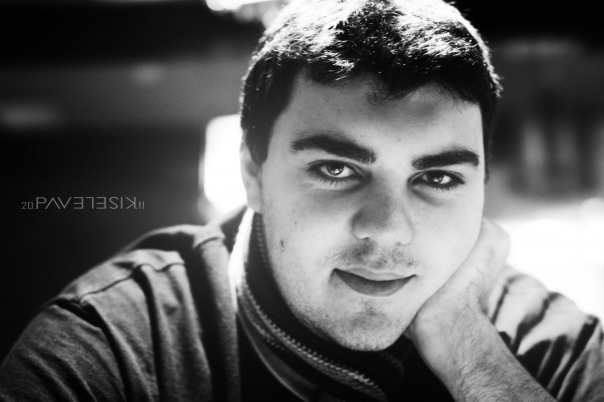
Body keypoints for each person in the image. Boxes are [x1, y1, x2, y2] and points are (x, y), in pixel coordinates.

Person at [1, 0, 603, 400]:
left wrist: (468, 350)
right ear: (252, 172)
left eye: (439, 179)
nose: (388, 230)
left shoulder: (548, 347)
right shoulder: (111, 350)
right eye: (336, 169)